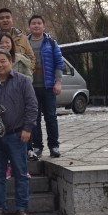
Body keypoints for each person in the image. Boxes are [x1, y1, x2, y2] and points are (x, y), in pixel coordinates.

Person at [0, 49, 38, 215]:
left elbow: (32, 106)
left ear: (11, 61)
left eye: (3, 61)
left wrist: (28, 128)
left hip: (17, 134)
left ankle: (21, 208)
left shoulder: (23, 81)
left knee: (20, 173)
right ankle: (0, 208)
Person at [27, 15, 64, 158]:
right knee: (34, 118)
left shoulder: (51, 43)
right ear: (29, 26)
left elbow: (59, 63)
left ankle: (54, 146)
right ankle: (37, 146)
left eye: (39, 23)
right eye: (33, 23)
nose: (36, 25)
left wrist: (58, 82)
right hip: (31, 88)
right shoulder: (25, 43)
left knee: (51, 117)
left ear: (44, 26)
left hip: (48, 87)